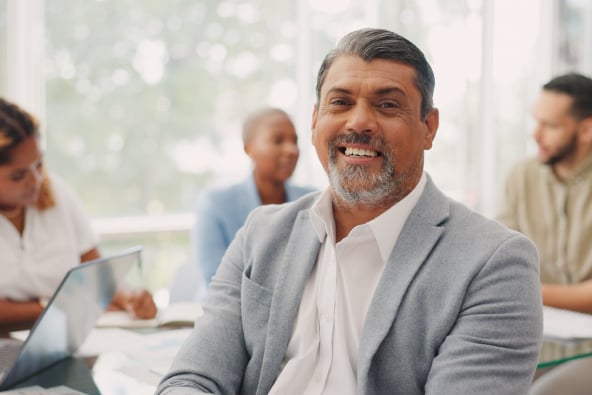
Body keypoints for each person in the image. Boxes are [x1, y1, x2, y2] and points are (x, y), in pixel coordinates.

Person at [156, 28, 542, 395]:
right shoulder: (261, 233)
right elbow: (193, 376)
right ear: (314, 120)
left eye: (387, 105)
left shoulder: (495, 262)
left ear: (429, 127)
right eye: (340, 102)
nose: (358, 122)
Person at [0, 96, 157, 329]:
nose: (36, 180)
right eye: (19, 175)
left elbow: (96, 277)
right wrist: (58, 307)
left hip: (65, 337)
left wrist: (127, 297)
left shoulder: (58, 194)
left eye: (39, 165)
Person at [495, 73, 592, 394]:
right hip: (538, 333)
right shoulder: (522, 176)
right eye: (536, 121)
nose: (536, 134)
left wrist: (524, 290)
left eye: (550, 126)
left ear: (586, 129)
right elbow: (497, 263)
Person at [191, 107, 316, 287]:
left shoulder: (313, 200)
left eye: (294, 141)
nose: (292, 150)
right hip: (229, 311)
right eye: (278, 140)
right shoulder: (215, 204)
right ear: (249, 148)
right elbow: (215, 279)